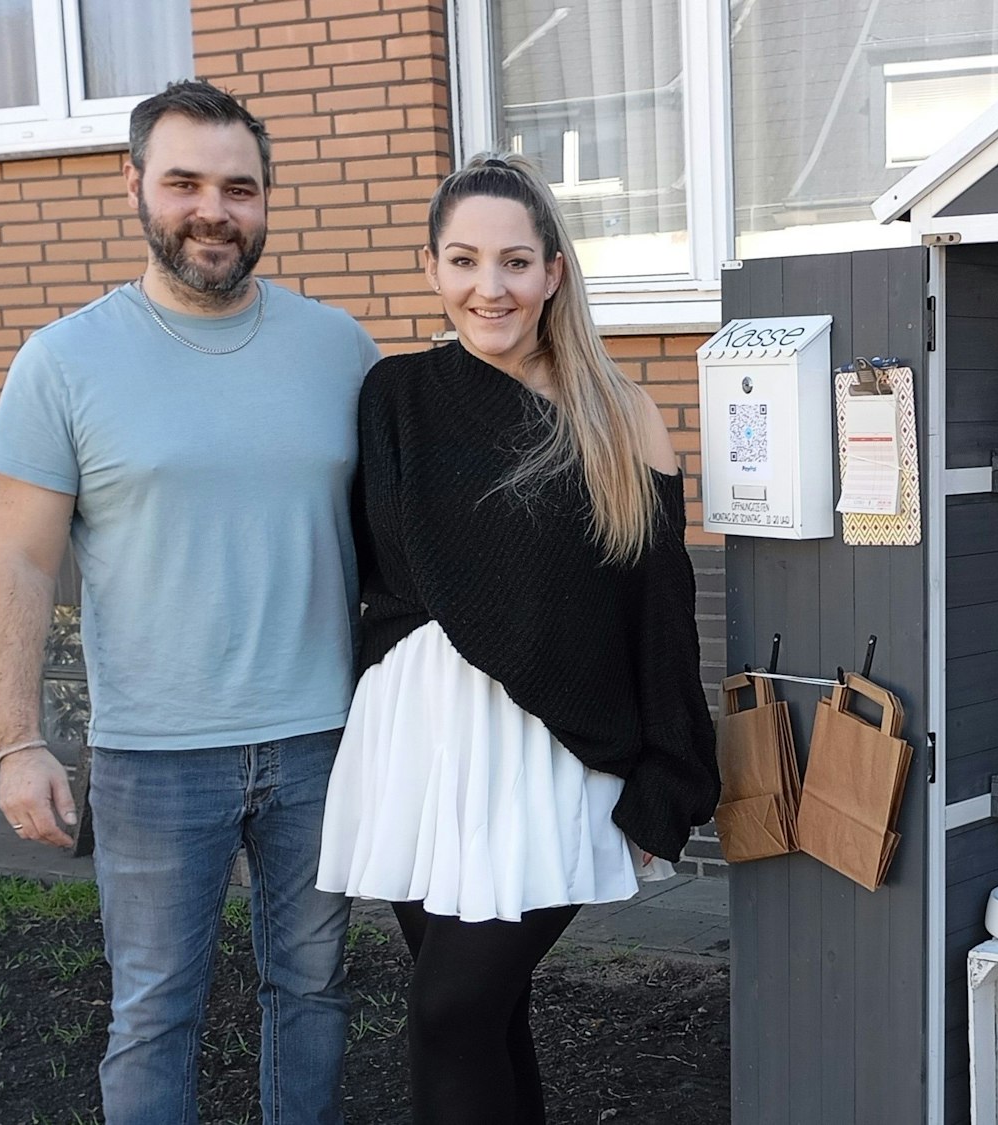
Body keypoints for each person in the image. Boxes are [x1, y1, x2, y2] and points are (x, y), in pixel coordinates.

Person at [0, 82, 378, 1124]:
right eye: (185, 183)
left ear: (265, 201)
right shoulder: (64, 361)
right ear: (134, 186)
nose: (214, 210)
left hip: (320, 743)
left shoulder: (338, 349)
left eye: (239, 188)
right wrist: (18, 740)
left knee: (313, 993)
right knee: (154, 1012)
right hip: (155, 755)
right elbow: (18, 563)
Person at [314, 153, 719, 1125]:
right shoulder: (395, 397)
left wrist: (669, 773)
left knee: (449, 1009)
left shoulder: (619, 416)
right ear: (431, 269)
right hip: (420, 742)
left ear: (552, 273)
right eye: (461, 261)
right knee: (482, 1018)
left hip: (553, 751)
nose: (486, 287)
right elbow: (383, 580)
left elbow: (659, 618)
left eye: (511, 262)